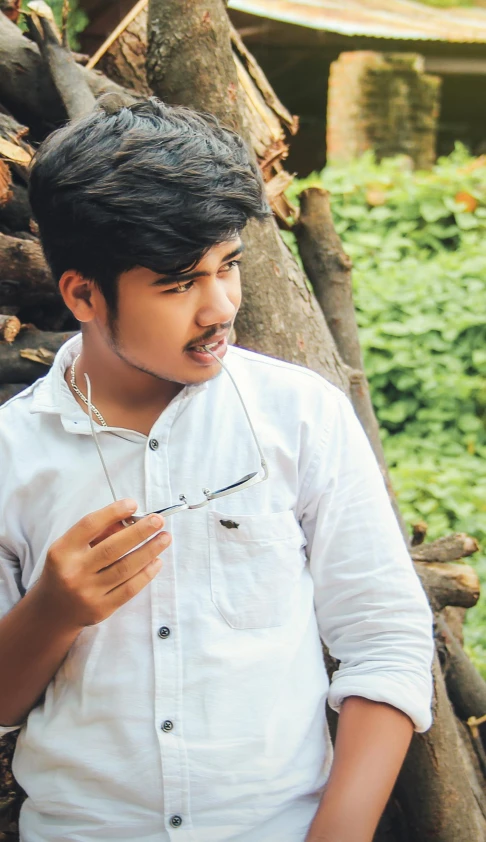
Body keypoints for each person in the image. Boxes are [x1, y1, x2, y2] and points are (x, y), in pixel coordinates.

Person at [0, 97, 433, 842]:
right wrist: (55, 610)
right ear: (81, 294)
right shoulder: (11, 451)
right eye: (178, 284)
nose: (220, 307)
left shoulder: (300, 417)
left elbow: (386, 639)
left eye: (227, 267)